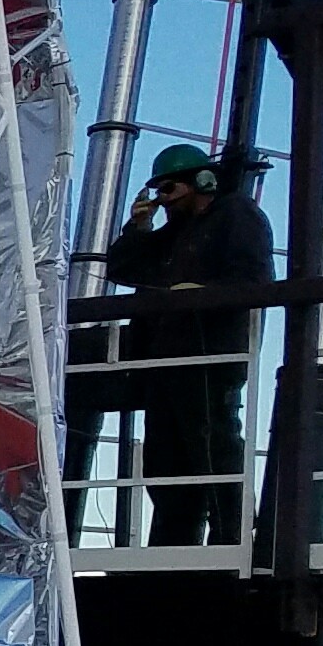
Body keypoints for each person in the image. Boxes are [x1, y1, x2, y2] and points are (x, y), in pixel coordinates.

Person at [101, 142, 275, 547]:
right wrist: (138, 229)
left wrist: (201, 292)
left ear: (200, 180)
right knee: (165, 457)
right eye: (158, 190)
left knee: (212, 444)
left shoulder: (236, 214)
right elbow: (124, 268)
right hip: (165, 360)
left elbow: (252, 279)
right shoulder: (174, 234)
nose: (163, 199)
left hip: (210, 354)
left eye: (169, 188)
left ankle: (231, 539)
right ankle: (172, 544)